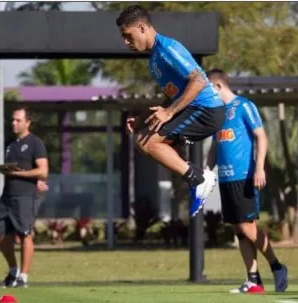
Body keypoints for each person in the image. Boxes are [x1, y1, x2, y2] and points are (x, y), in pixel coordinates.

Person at [116, 5, 225, 217]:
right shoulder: (154, 58)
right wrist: (142, 119)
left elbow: (199, 80)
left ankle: (199, 178)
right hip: (194, 109)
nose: (126, 42)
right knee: (144, 139)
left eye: (128, 36)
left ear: (142, 28)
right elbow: (172, 96)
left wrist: (169, 112)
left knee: (145, 142)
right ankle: (198, 177)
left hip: (206, 111)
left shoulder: (168, 49)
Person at [206, 68, 288, 294]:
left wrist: (259, 168)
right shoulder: (216, 113)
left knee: (247, 225)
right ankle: (253, 280)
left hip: (244, 176)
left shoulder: (244, 106)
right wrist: (207, 171)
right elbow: (215, 146)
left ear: (218, 86)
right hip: (225, 178)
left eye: (208, 89)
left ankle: (277, 266)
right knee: (239, 230)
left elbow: (261, 136)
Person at [0, 107, 49, 288]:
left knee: (25, 234)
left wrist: (23, 175)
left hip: (25, 197)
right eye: (12, 120)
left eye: (18, 120)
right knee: (1, 235)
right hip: (7, 195)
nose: (14, 123)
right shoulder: (10, 144)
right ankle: (13, 271)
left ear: (28, 122)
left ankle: (23, 278)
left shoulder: (35, 143)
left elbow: (43, 171)